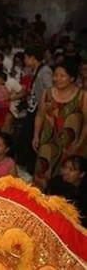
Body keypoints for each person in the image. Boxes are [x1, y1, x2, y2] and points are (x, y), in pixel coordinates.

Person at [33, 61, 86, 190]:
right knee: (43, 172)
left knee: (68, 176)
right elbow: (40, 115)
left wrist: (79, 144)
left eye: (62, 76)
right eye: (55, 75)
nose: (57, 79)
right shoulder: (47, 93)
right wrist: (36, 136)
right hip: (48, 141)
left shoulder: (82, 96)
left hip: (71, 145)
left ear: (72, 78)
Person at [17, 46, 52, 174]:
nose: (25, 60)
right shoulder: (37, 70)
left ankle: (30, 168)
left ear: (32, 58)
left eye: (26, 58)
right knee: (26, 136)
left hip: (39, 109)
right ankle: (26, 166)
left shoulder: (45, 71)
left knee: (30, 137)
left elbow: (49, 90)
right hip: (33, 107)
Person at [47, 155, 87, 227]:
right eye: (64, 168)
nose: (65, 172)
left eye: (71, 170)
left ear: (81, 174)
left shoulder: (83, 194)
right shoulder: (56, 183)